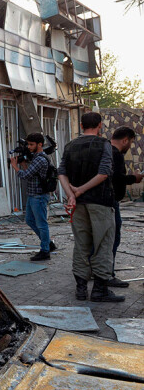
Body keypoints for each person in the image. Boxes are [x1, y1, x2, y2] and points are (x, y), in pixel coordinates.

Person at [58, 112, 123, 302]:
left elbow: (61, 172)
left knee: (81, 244)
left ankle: (80, 289)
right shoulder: (104, 145)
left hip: (79, 205)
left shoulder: (70, 145)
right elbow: (104, 173)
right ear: (100, 125)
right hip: (100, 202)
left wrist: (71, 194)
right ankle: (100, 290)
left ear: (81, 125)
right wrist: (78, 191)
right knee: (103, 244)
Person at [107, 126, 143, 287]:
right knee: (112, 239)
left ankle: (99, 272)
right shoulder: (116, 154)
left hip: (101, 200)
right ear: (125, 140)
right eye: (131, 142)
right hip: (110, 200)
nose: (130, 147)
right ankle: (107, 274)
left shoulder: (103, 149)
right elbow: (117, 178)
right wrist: (133, 178)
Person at [10, 133, 54, 261]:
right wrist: (23, 164)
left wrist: (14, 166)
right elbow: (31, 173)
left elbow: (25, 175)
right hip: (33, 194)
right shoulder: (36, 158)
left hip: (39, 196)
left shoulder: (40, 159)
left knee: (41, 224)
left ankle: (45, 250)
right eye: (28, 144)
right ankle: (48, 243)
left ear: (40, 145)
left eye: (31, 144)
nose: (28, 147)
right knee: (29, 220)